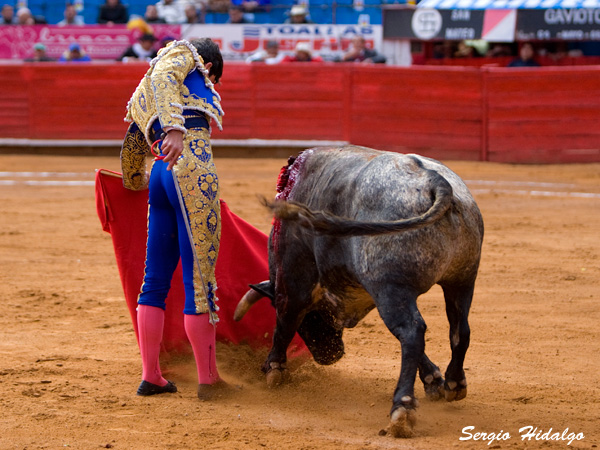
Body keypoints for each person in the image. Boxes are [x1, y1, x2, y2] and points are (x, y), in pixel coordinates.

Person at [120, 38, 226, 399]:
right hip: (190, 165)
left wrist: (136, 181)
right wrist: (176, 130)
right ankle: (209, 380)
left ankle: (152, 376)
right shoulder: (184, 58)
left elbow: (133, 141)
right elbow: (167, 75)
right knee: (200, 282)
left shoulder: (143, 88)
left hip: (160, 175)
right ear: (208, 67)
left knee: (155, 279)